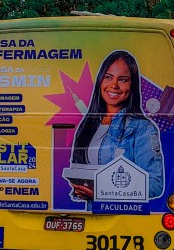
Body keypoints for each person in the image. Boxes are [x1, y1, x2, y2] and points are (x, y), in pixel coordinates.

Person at [68, 50, 164, 202]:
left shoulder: (142, 128)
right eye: (108, 77)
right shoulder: (87, 124)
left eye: (123, 80)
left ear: (132, 86)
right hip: (90, 214)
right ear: (100, 80)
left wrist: (103, 191)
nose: (114, 85)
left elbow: (155, 184)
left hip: (124, 217)